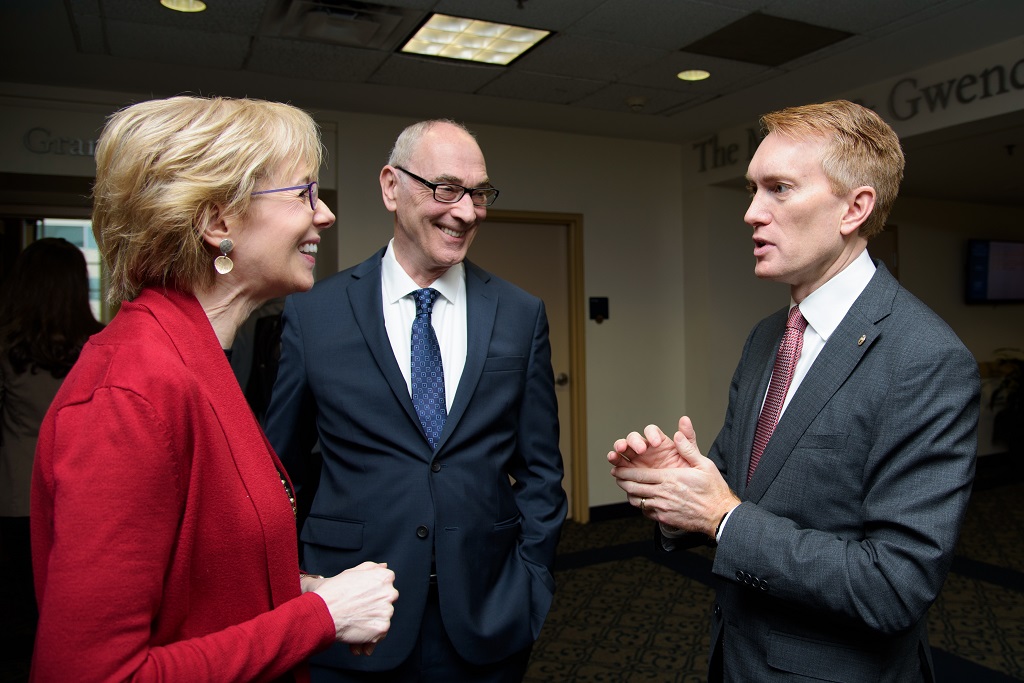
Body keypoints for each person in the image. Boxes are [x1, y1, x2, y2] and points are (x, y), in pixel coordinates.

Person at [30, 96, 398, 683]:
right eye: (303, 193)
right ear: (217, 222)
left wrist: (290, 587)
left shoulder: (192, 357)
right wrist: (319, 616)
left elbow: (195, 578)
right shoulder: (132, 393)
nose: (324, 214)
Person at [608, 100, 979, 682]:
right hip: (739, 657)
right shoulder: (766, 338)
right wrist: (678, 492)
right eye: (753, 189)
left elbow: (894, 585)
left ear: (854, 208)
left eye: (779, 189)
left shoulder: (925, 359)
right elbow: (736, 487)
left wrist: (722, 518)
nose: (752, 213)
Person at [264, 119, 567, 682]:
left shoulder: (519, 314)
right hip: (352, 614)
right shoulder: (314, 313)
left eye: (479, 194)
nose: (467, 211)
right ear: (390, 187)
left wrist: (532, 579)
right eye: (446, 188)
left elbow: (542, 471)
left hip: (486, 613)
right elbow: (280, 472)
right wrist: (299, 586)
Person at [0, 238, 103, 680]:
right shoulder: (100, 345)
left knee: (16, 621)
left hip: (15, 501)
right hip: (79, 501)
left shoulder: (6, 348)